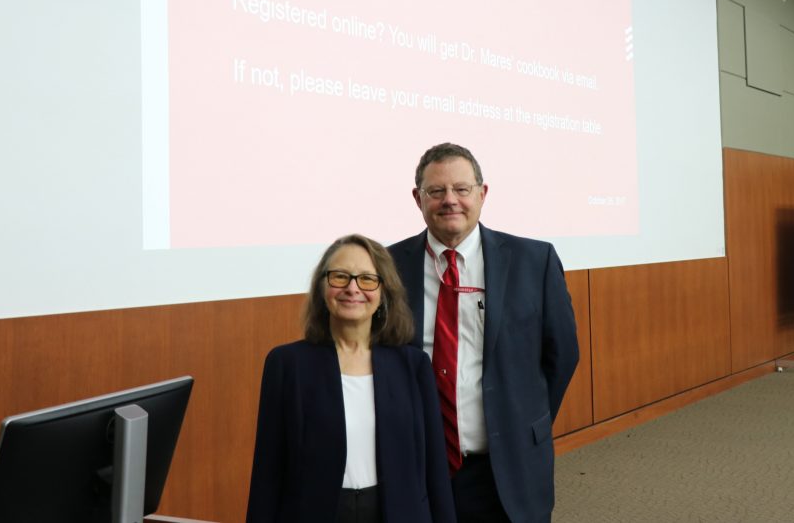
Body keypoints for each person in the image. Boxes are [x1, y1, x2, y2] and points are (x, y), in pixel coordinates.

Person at [388, 143, 580, 523]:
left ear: (482, 193)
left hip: (508, 465)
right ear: (417, 198)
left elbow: (562, 355)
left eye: (461, 189)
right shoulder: (388, 266)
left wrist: (525, 419)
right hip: (421, 467)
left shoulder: (534, 261)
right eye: (436, 191)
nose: (450, 201)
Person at [246, 234, 456, 523]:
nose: (352, 288)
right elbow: (268, 474)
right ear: (322, 287)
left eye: (367, 279)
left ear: (384, 292)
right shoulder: (286, 365)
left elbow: (435, 471)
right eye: (340, 276)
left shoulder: (413, 365)